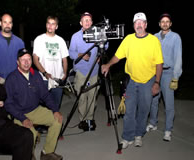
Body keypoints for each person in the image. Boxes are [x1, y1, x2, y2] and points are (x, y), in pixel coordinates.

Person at [101, 12, 164, 149]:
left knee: (143, 110)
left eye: (142, 22)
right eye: (136, 22)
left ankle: (138, 135)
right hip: (131, 81)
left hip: (148, 81)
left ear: (146, 24)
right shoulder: (128, 39)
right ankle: (127, 137)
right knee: (129, 111)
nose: (139, 25)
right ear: (134, 25)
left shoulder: (153, 41)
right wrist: (108, 64)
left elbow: (159, 64)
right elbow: (117, 56)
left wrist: (157, 82)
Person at [5, 48, 63, 160]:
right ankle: (28, 155)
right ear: (17, 62)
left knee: (58, 120)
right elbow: (8, 104)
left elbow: (46, 95)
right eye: (23, 60)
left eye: (29, 59)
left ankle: (47, 152)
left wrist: (55, 110)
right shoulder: (11, 79)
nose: (26, 62)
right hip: (19, 114)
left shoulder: (36, 75)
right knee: (31, 133)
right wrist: (22, 118)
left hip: (36, 110)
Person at [69, 12, 108, 131]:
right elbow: (70, 53)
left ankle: (90, 119)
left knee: (92, 97)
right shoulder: (75, 36)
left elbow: (105, 45)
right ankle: (82, 120)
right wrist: (80, 55)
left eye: (89, 20)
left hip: (94, 71)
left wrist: (100, 55)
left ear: (92, 22)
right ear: (81, 22)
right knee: (82, 97)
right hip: (81, 71)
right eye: (85, 20)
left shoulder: (96, 33)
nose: (87, 22)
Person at [146, 13, 182, 141]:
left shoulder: (175, 37)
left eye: (167, 21)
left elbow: (178, 58)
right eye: (162, 21)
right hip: (155, 73)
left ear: (170, 24)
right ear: (159, 24)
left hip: (168, 73)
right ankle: (153, 123)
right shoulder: (154, 37)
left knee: (169, 103)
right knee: (153, 100)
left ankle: (168, 130)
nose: (165, 23)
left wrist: (175, 76)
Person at [33, 16, 69, 110]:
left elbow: (64, 60)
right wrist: (44, 73)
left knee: (55, 108)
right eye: (48, 23)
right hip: (44, 80)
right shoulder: (39, 39)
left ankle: (54, 124)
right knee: (43, 109)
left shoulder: (61, 41)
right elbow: (35, 59)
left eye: (53, 24)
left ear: (56, 26)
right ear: (46, 25)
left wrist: (65, 74)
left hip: (58, 79)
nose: (50, 26)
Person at [0, 13, 25, 84]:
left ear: (12, 24)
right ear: (0, 23)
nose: (7, 25)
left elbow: (23, 62)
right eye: (5, 22)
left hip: (16, 82)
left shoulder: (19, 42)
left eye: (10, 22)